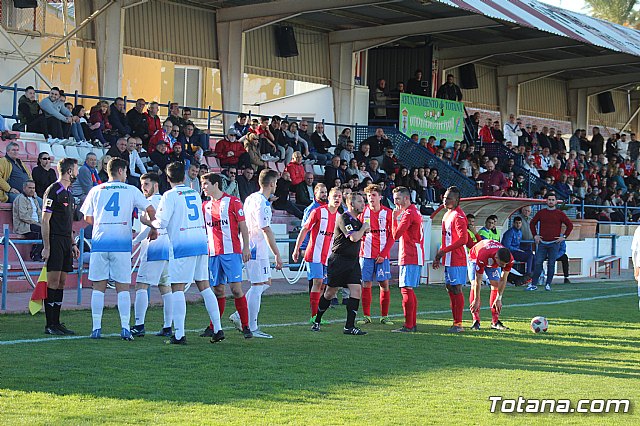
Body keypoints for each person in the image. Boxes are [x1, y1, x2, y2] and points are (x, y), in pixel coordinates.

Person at [81, 158, 157, 341]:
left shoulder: (96, 190)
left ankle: (96, 328)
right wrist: (153, 227)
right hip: (122, 245)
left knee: (98, 286)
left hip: (100, 243)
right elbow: (151, 209)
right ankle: (124, 327)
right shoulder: (131, 190)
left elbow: (87, 217)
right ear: (121, 171)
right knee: (122, 286)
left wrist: (102, 224)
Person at [149, 162, 225, 344]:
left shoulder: (169, 195)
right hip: (200, 242)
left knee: (177, 288)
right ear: (183, 177)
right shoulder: (194, 193)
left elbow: (161, 223)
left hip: (182, 245)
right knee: (204, 286)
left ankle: (179, 333)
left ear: (167, 179)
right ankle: (218, 328)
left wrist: (147, 220)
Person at [229, 169, 283, 338]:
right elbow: (266, 229)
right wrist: (277, 253)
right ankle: (250, 324)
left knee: (265, 282)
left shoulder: (251, 198)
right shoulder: (262, 203)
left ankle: (241, 314)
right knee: (258, 285)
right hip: (256, 248)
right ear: (272, 184)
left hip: (249, 244)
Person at [199, 173, 253, 340]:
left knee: (236, 289)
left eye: (206, 184)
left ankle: (245, 326)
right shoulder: (204, 206)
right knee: (218, 290)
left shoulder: (233, 202)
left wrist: (246, 247)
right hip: (213, 253)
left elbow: (244, 226)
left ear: (216, 184)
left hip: (232, 252)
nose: (203, 187)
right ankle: (213, 326)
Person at [309, 191, 369, 335]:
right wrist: (363, 228)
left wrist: (362, 228)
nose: (363, 204)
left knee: (356, 290)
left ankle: (349, 326)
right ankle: (317, 320)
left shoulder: (357, 221)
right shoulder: (344, 218)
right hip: (339, 260)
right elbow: (354, 238)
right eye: (360, 201)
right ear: (351, 203)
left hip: (353, 261)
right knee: (330, 292)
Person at [130, 173, 173, 337]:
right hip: (167, 246)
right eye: (142, 184)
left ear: (156, 185)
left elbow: (152, 225)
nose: (144, 188)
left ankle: (139, 325)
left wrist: (135, 240)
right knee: (165, 287)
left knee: (141, 284)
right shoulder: (165, 200)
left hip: (154, 246)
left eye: (147, 184)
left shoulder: (151, 202)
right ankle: (168, 326)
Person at [41, 158, 80, 335]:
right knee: (53, 281)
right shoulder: (53, 190)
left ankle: (57, 322)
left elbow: (68, 222)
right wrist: (47, 246)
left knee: (62, 282)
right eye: (76, 169)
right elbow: (45, 220)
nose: (77, 173)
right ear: (69, 171)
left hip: (66, 241)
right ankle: (50, 324)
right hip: (55, 240)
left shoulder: (70, 194)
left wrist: (73, 243)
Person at [293, 187, 342, 323]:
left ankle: (318, 316)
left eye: (339, 196)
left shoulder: (340, 218)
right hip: (314, 253)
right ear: (329, 198)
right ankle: (314, 316)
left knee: (324, 286)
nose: (337, 199)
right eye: (335, 196)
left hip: (329, 256)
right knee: (318, 281)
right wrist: (297, 248)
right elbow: (305, 229)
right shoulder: (318, 211)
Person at [357, 184, 395, 326]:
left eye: (374, 195)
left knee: (383, 283)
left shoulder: (387, 213)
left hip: (382, 255)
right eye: (368, 196)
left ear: (380, 197)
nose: (371, 198)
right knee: (366, 283)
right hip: (365, 254)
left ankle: (384, 316)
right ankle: (366, 316)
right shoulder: (363, 212)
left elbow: (392, 236)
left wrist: (384, 254)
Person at [433, 186, 468, 333]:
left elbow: (463, 239)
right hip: (448, 258)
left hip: (457, 258)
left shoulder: (458, 216)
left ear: (457, 200)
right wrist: (439, 256)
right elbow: (446, 238)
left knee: (456, 288)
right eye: (444, 197)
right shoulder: (447, 214)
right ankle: (455, 322)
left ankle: (458, 324)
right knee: (450, 288)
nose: (445, 200)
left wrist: (443, 252)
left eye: (448, 198)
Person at [390, 186, 424, 333]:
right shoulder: (415, 211)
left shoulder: (408, 213)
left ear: (406, 198)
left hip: (410, 254)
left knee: (406, 289)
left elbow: (395, 235)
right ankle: (412, 323)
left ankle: (409, 325)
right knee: (408, 289)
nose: (395, 202)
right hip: (415, 253)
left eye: (397, 199)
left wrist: (393, 218)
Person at [527, 192, 573, 291]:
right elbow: (532, 223)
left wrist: (564, 237)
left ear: (556, 201)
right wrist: (535, 235)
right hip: (542, 243)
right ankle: (533, 284)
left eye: (553, 200)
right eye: (549, 199)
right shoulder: (541, 212)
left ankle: (548, 284)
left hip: (554, 244)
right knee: (538, 263)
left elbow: (570, 225)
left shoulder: (560, 214)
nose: (551, 201)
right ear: (546, 201)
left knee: (551, 264)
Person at [468, 239, 514, 331]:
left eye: (505, 264)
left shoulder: (509, 259)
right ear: (496, 258)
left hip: (491, 258)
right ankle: (476, 320)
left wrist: (499, 298)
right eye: (501, 264)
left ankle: (495, 322)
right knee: (474, 284)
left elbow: (503, 279)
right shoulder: (483, 255)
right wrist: (477, 299)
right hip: (475, 257)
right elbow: (478, 279)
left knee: (496, 284)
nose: (503, 266)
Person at [13, 180, 44, 261]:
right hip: (24, 227)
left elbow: (40, 214)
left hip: (35, 225)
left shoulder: (34, 199)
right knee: (40, 231)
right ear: (24, 188)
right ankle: (35, 254)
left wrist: (42, 223)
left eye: (33, 188)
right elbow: (23, 216)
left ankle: (44, 254)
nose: (32, 190)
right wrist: (38, 224)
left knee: (48, 230)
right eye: (29, 188)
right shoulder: (20, 198)